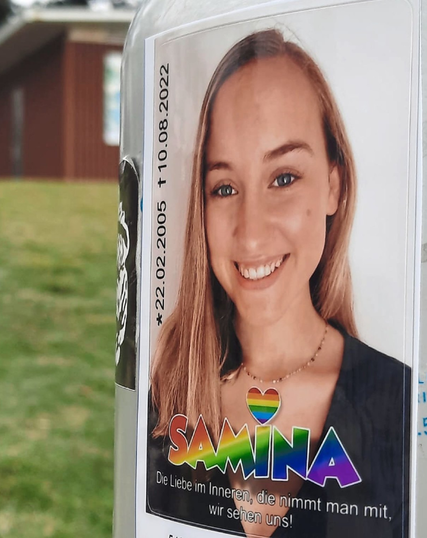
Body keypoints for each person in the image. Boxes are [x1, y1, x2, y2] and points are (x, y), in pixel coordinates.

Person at [147, 29, 410, 538]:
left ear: (334, 184)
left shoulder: (403, 407)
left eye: (284, 178)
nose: (251, 231)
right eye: (224, 187)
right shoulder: (161, 404)